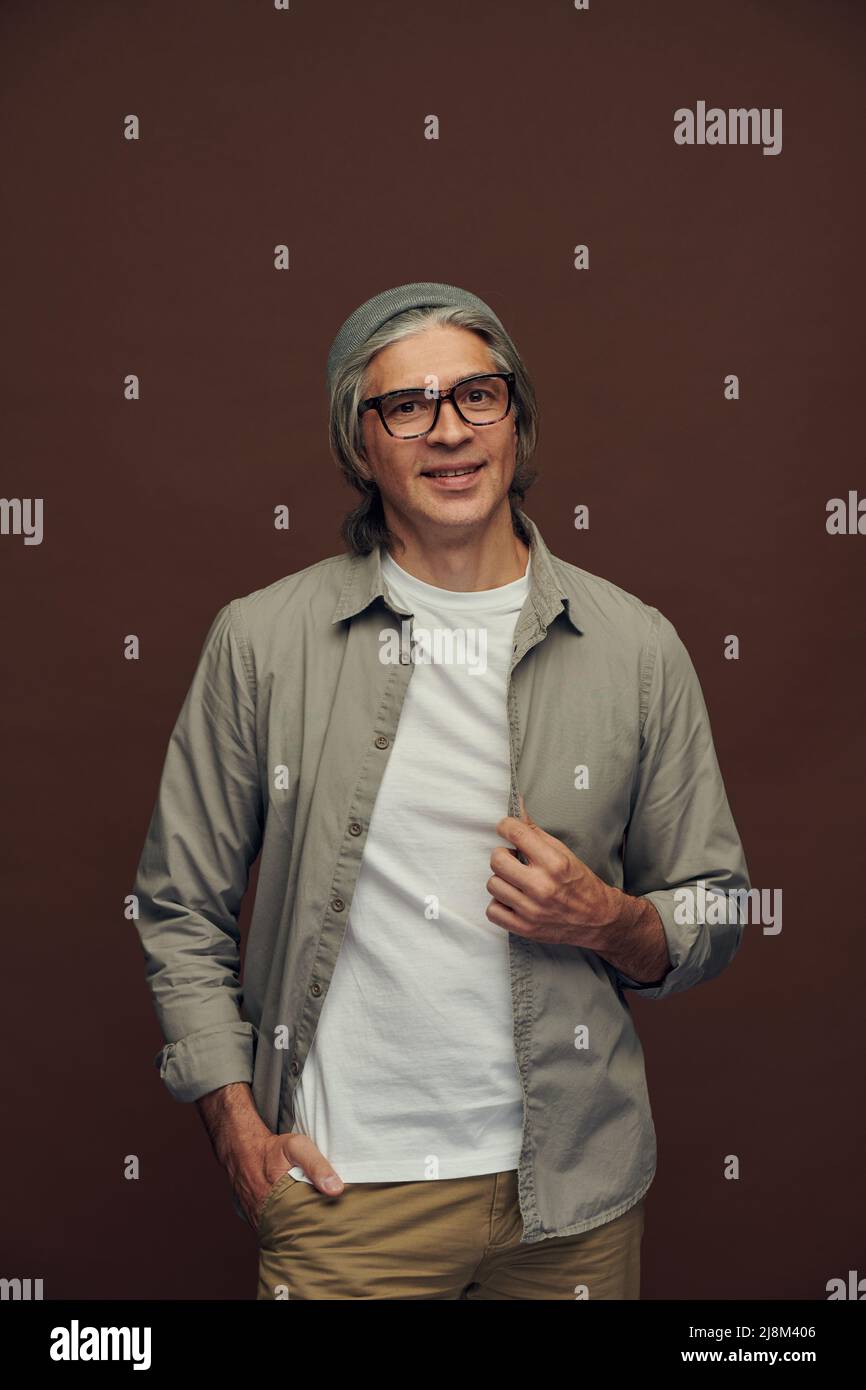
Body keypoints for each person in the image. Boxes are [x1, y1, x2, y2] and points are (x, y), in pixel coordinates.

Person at [132, 281, 751, 1300]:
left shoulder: (635, 646)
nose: (447, 431)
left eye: (476, 396)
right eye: (405, 405)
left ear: (515, 420)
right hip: (344, 1196)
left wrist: (605, 916)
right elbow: (177, 903)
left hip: (571, 1199)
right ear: (358, 443)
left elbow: (714, 906)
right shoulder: (263, 640)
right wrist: (232, 1117)